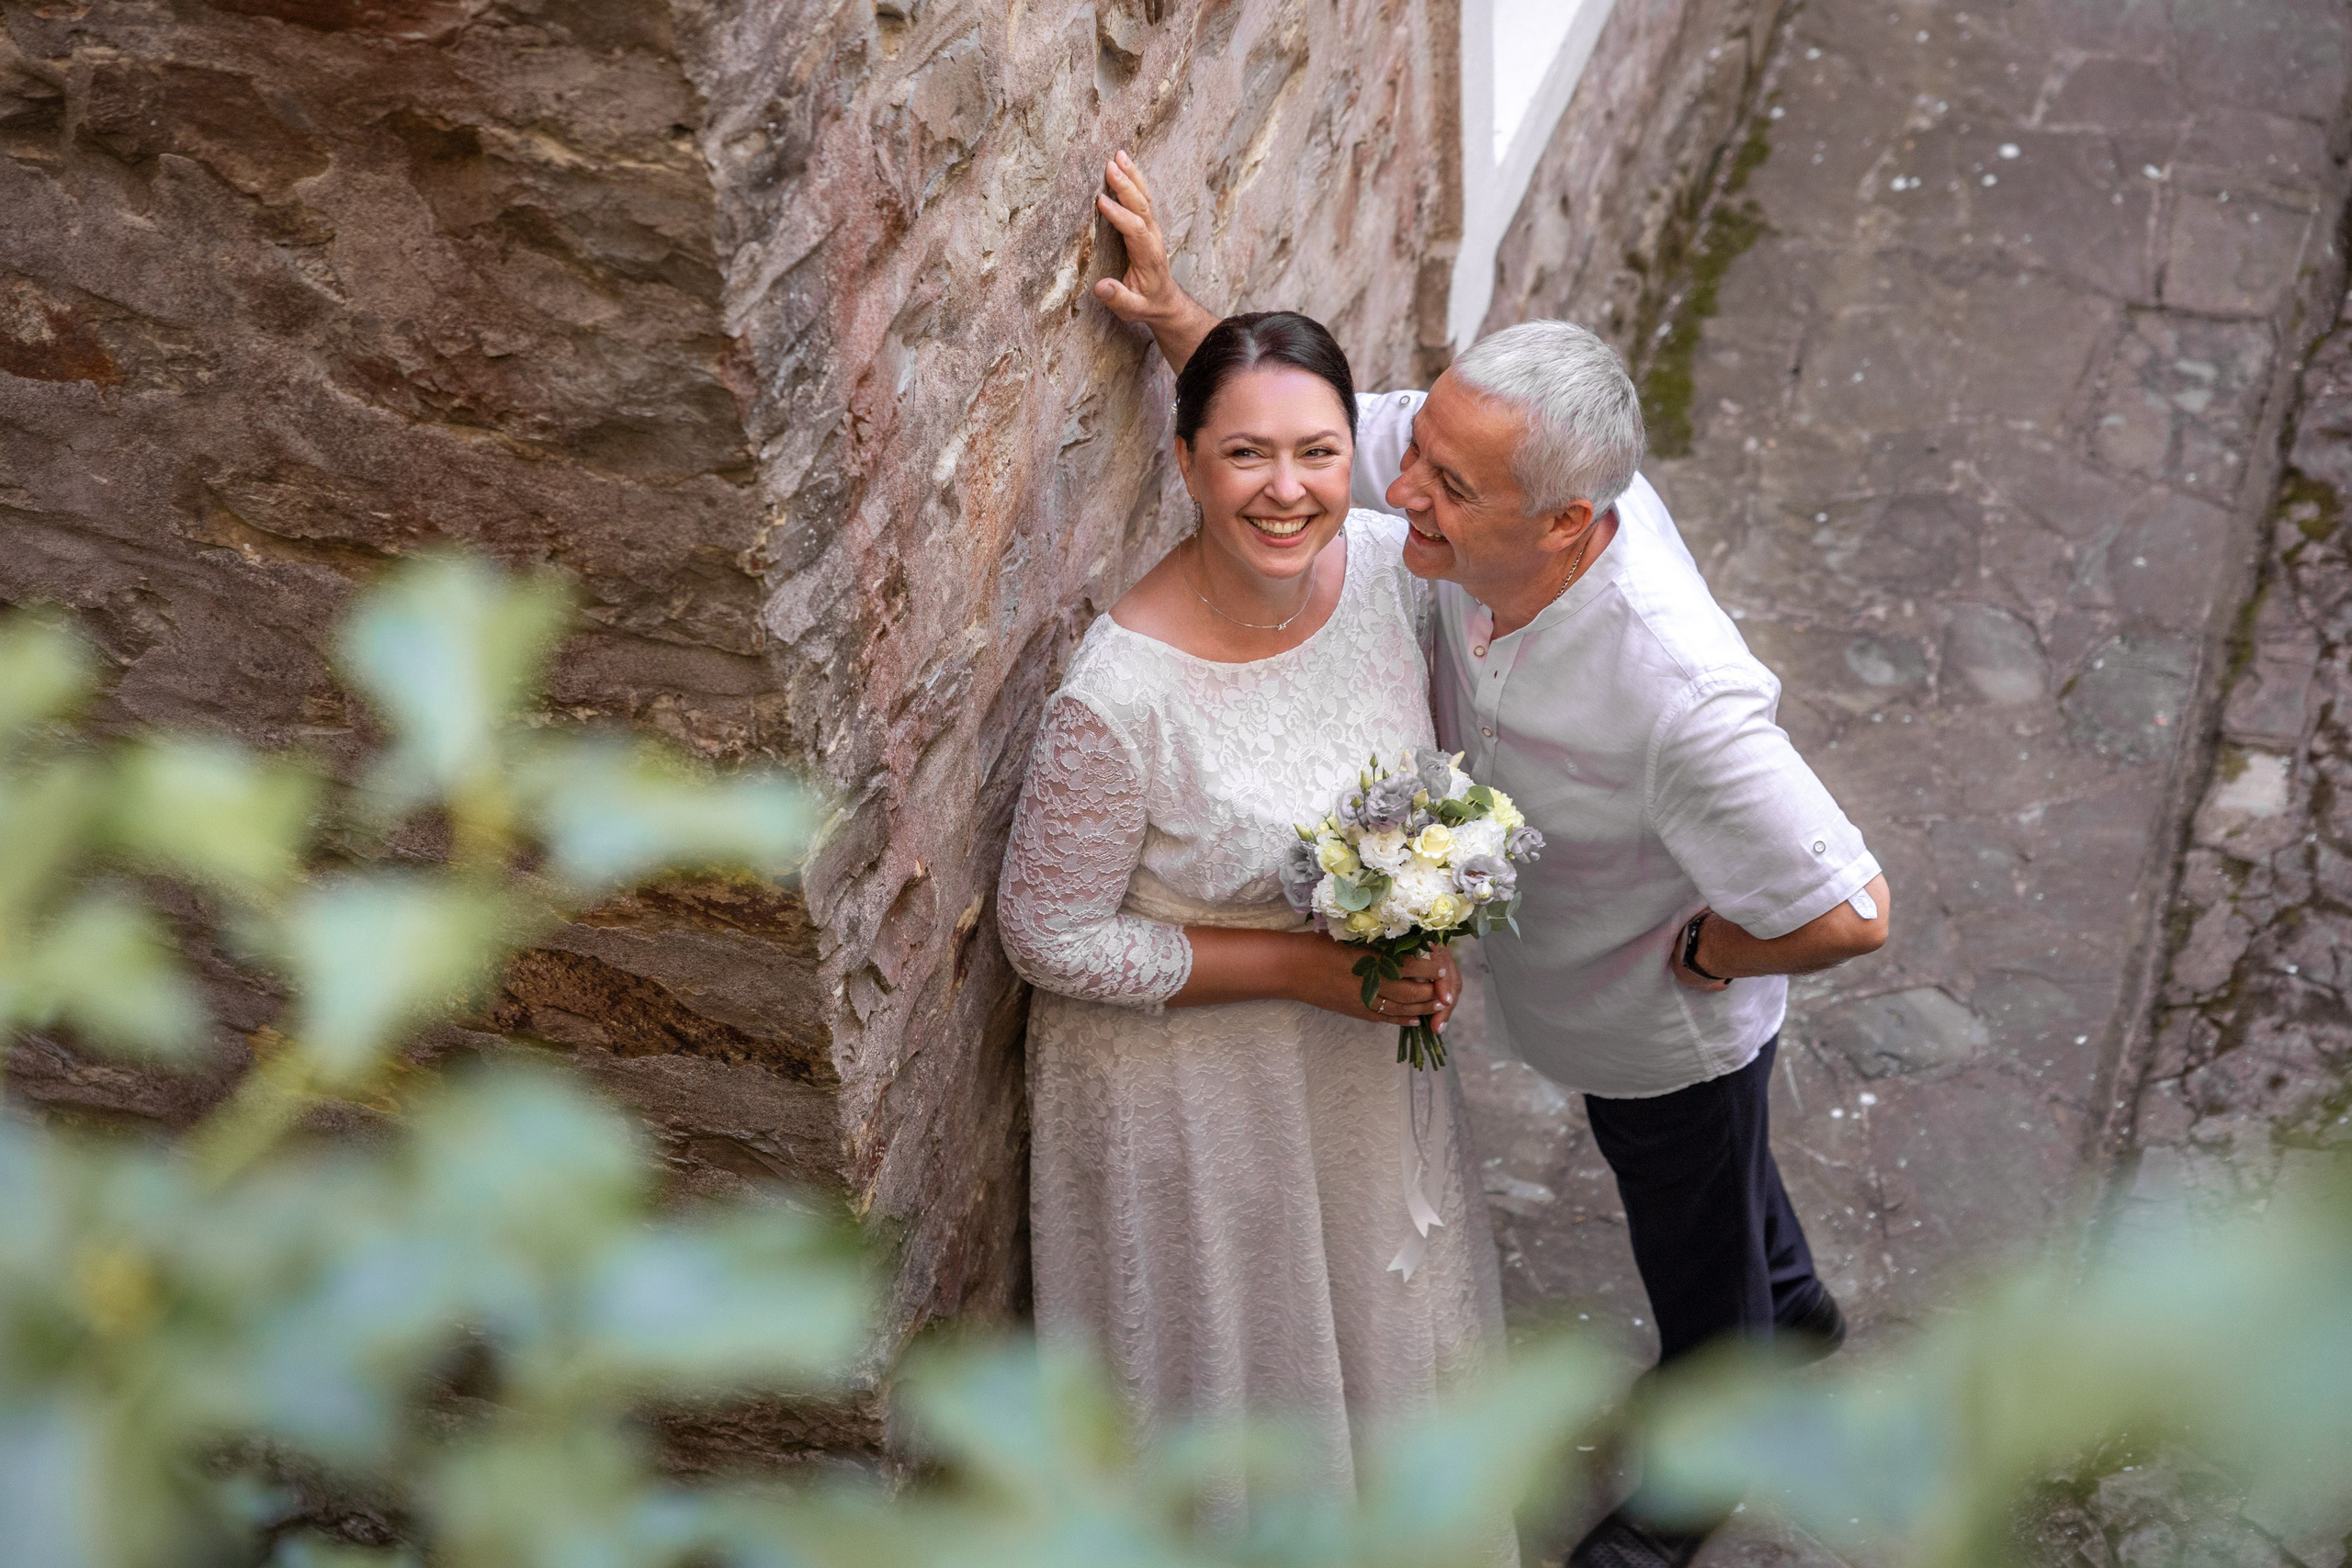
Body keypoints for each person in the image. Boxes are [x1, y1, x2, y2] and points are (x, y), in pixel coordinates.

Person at [1088, 151, 1893, 1568]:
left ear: (1575, 525)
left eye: (1448, 487)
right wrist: (1172, 322)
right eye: (1420, 457)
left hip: (1660, 1023)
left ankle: (1698, 1475)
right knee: (1725, 1202)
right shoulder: (1465, 458)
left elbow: (1852, 910)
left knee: (1685, 1230)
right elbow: (1310, 423)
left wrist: (1707, 954)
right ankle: (1800, 1302)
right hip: (1562, 977)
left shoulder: (1680, 701)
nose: (1403, 492)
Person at [994, 309, 1517, 1562]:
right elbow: (1045, 935)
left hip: (1351, 1073)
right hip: (1192, 1103)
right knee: (1254, 1375)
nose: (1287, 491)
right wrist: (1307, 969)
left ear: (1356, 456)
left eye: (1318, 453)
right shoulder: (1118, 699)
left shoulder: (1395, 573)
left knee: (1384, 1347)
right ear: (1184, 464)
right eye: (1244, 457)